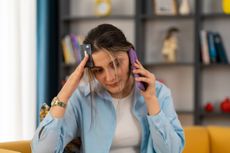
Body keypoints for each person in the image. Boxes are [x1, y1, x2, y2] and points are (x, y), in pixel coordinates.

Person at [32, 24, 185, 153]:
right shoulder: (82, 98)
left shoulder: (158, 92)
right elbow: (42, 151)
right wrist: (65, 94)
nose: (110, 77)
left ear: (131, 55)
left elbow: (172, 150)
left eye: (116, 64)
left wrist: (151, 100)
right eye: (99, 70)